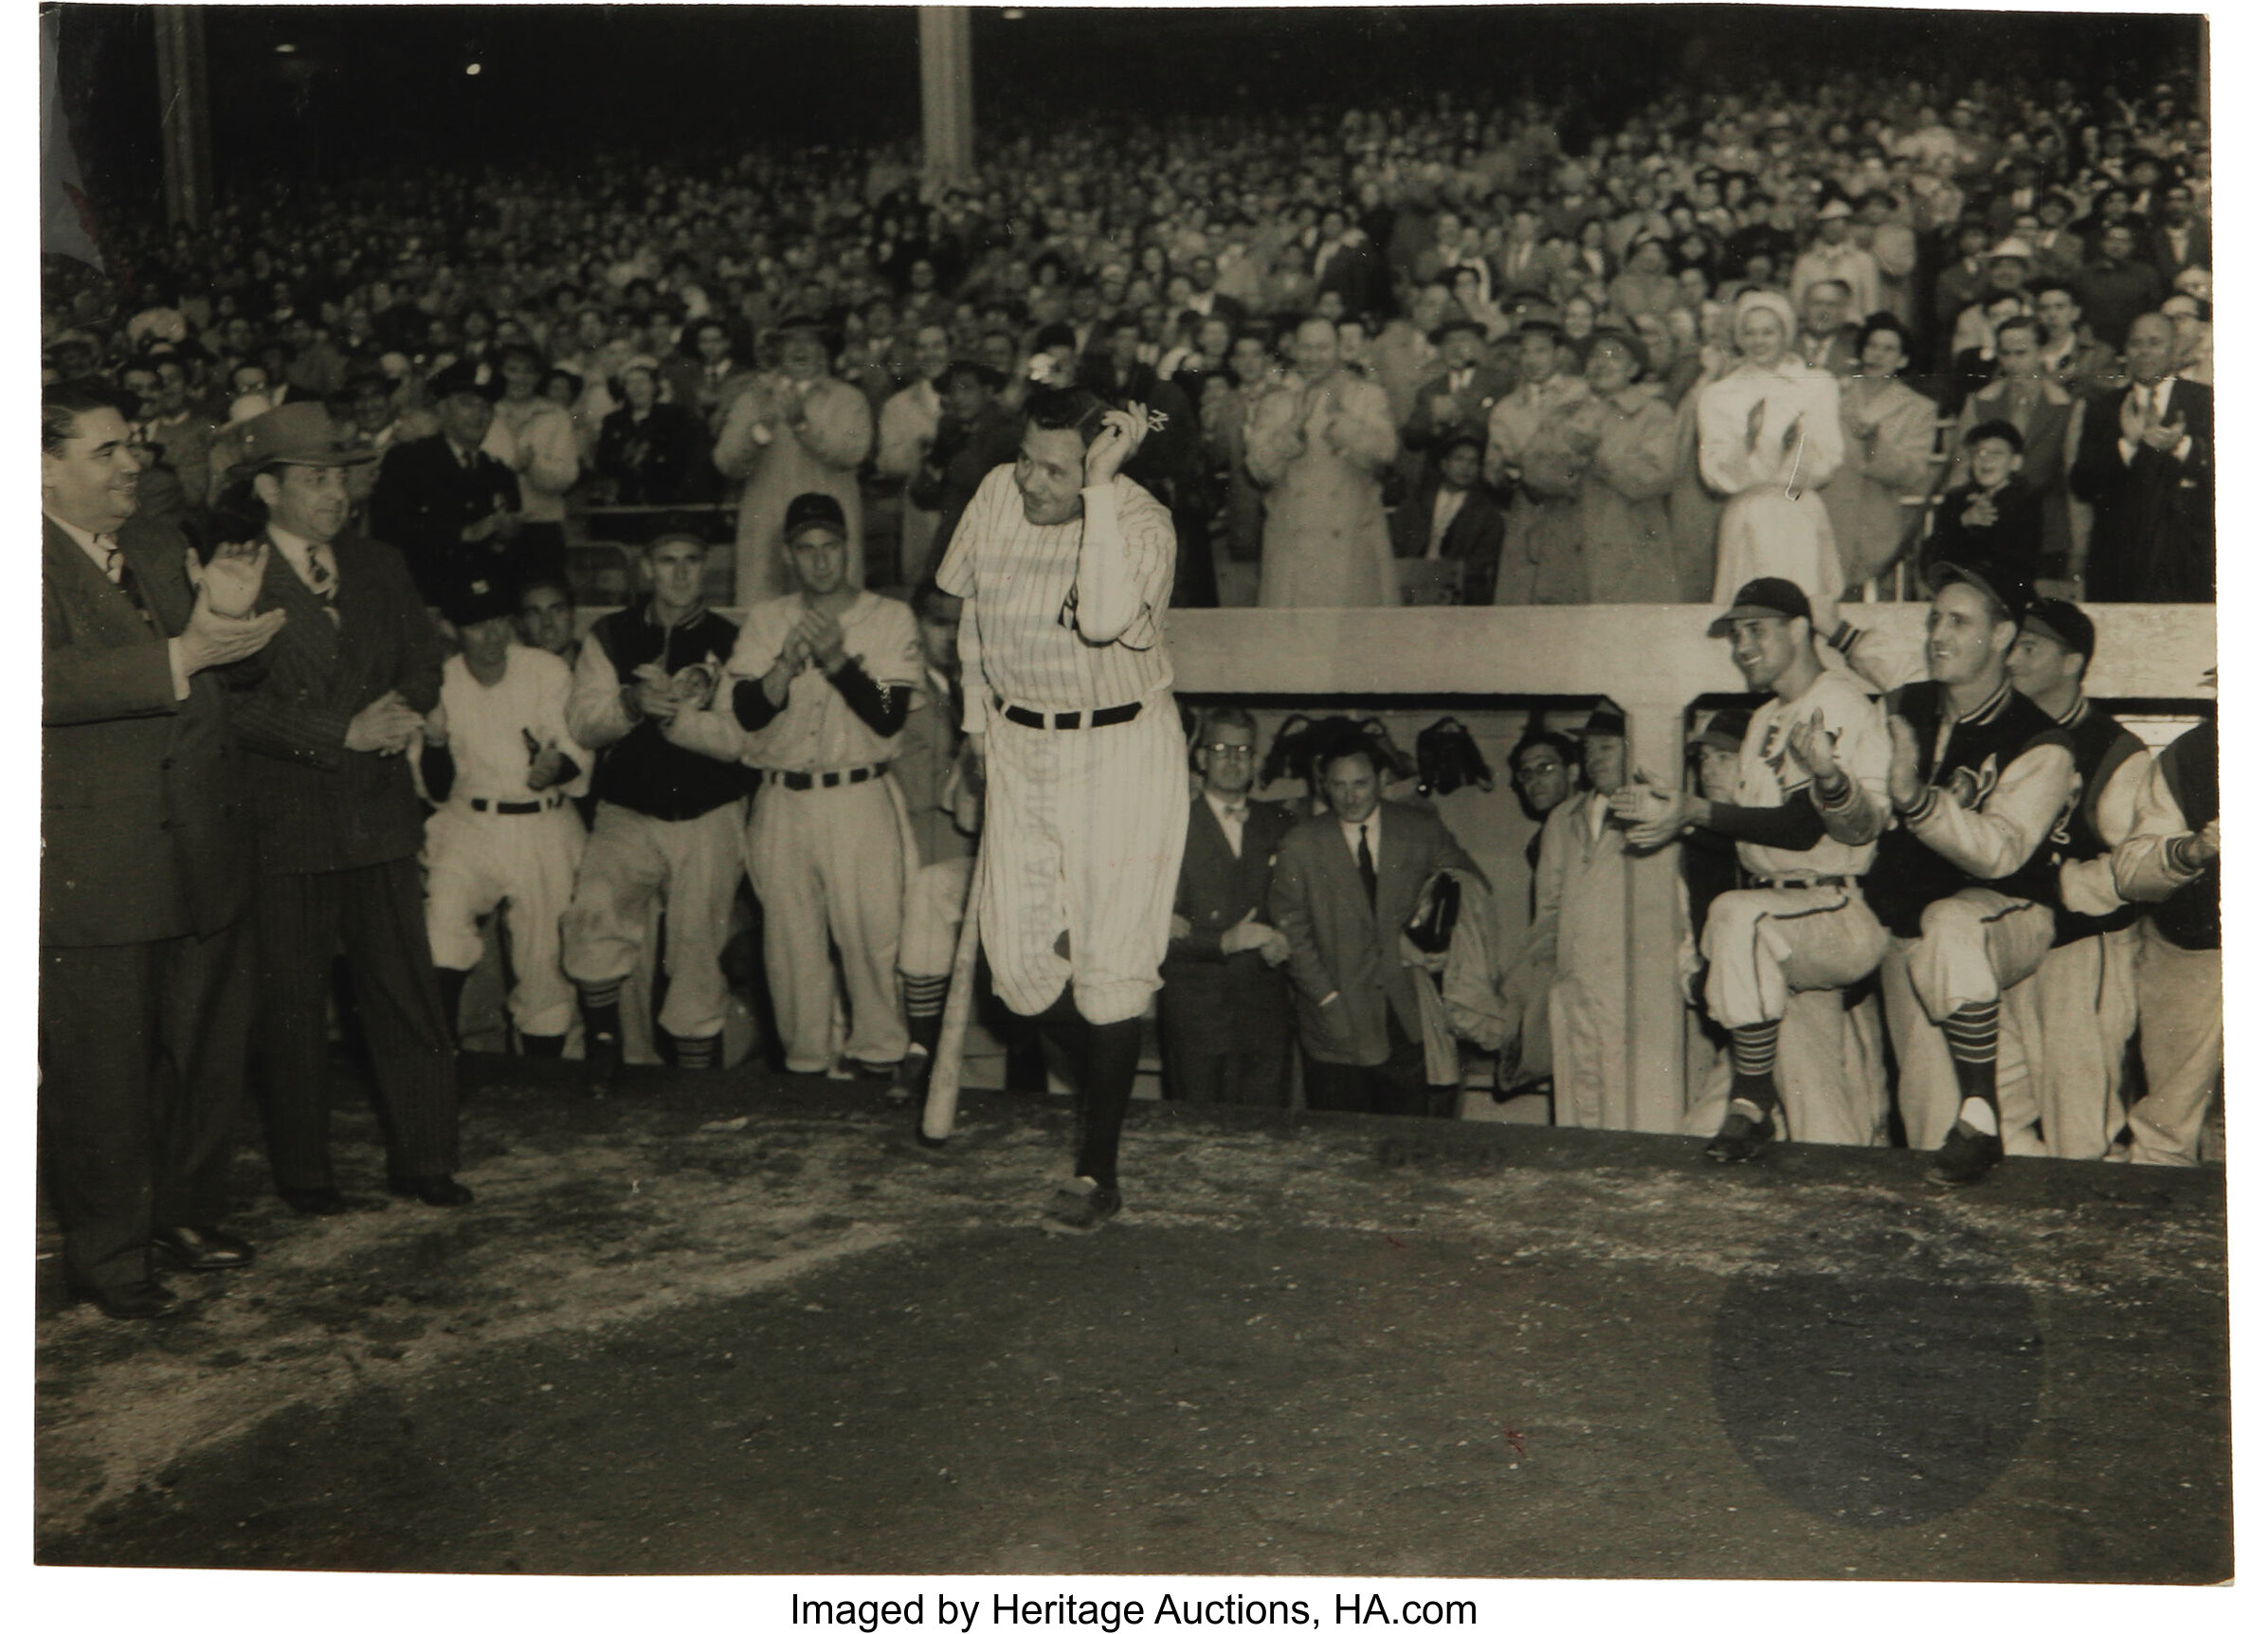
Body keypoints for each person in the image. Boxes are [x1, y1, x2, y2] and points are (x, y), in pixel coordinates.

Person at [41, 381, 284, 1318]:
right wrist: (186, 648)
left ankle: (183, 1210)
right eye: (106, 451)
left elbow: (226, 661)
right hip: (97, 864)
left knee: (207, 1051)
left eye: (133, 445)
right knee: (102, 1071)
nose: (132, 463)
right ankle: (109, 1255)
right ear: (42, 466)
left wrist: (234, 615)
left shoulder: (149, 542)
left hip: (202, 848)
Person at [934, 385, 1186, 1231]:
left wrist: (1103, 492)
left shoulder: (1143, 527)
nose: (1030, 482)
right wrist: (973, 722)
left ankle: (1096, 1168)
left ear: (1100, 468)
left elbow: (1108, 617)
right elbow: (969, 616)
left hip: (1119, 751)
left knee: (1111, 968)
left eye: (1055, 471)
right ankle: (1108, 1085)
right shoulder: (998, 493)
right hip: (1018, 742)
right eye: (1025, 460)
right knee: (1018, 975)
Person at [227, 403, 472, 1210]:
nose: (336, 494)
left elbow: (428, 665)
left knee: (405, 992)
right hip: (287, 823)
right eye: (316, 479)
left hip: (377, 818)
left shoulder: (380, 564)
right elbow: (232, 706)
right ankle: (306, 1174)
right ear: (267, 488)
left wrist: (399, 708)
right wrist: (342, 730)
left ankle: (426, 1158)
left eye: (342, 476)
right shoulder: (232, 572)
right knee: (292, 1007)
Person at [1611, 579, 1891, 1157]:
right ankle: (1833, 1204)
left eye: (1755, 629)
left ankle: (1751, 1100)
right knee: (1820, 1106)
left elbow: (1801, 827)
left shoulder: (1837, 702)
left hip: (1833, 910)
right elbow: (1745, 831)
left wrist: (1695, 809)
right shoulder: (1765, 719)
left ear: (1798, 628)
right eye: (1736, 633)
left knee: (1737, 915)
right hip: (1783, 928)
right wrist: (1680, 813)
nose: (1742, 646)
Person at [671, 492, 918, 1079]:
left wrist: (838, 662)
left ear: (846, 549)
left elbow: (889, 712)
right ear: (788, 556)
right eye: (806, 550)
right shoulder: (765, 620)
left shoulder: (888, 618)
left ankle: (881, 1068)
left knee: (872, 945)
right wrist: (783, 665)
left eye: (830, 547)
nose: (820, 562)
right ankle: (809, 1079)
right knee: (791, 954)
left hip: (860, 797)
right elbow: (748, 713)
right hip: (782, 799)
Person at [1854, 558, 2079, 1186]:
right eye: (1933, 619)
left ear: (2002, 637)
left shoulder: (2041, 740)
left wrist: (1917, 800)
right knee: (1929, 1126)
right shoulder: (1914, 705)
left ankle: (1981, 1112)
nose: (1937, 633)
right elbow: (1878, 668)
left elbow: (1999, 852)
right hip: (1914, 939)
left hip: (2006, 917)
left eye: (1958, 620)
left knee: (1949, 921)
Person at [561, 533, 759, 1090]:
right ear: (646, 567)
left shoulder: (732, 638)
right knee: (594, 912)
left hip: (709, 813)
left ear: (706, 567)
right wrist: (628, 703)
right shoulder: (612, 634)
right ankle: (606, 1050)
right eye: (667, 561)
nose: (679, 574)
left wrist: (676, 719)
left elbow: (738, 738)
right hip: (628, 809)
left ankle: (695, 1090)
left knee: (698, 951)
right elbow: (582, 721)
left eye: (691, 561)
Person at [1270, 720, 1482, 1118]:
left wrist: (1441, 947)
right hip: (1335, 1018)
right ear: (1322, 784)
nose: (1350, 797)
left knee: (1407, 1144)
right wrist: (1326, 998)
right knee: (1340, 1144)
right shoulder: (1301, 844)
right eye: (1338, 786)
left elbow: (1470, 886)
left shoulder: (1419, 829)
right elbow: (1291, 930)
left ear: (1382, 779)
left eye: (1361, 784)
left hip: (1406, 1017)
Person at [2002, 600, 2150, 1160]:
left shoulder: (2114, 749)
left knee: (2079, 1122)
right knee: (1999, 1115)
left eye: (2029, 648)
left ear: (2071, 663)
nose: (2011, 659)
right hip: (2015, 942)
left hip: (2085, 947)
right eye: (2011, 644)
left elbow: (2136, 867)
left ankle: (2095, 1246)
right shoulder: (2011, 734)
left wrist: (2059, 884)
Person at [418, 575, 589, 1054]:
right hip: (469, 823)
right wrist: (433, 741)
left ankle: (543, 1085)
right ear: (452, 628)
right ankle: (441, 1056)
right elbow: (433, 787)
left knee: (544, 965)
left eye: (497, 622)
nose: (491, 636)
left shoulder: (544, 669)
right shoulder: (440, 680)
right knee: (441, 926)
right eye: (476, 626)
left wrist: (555, 766)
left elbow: (572, 751)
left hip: (543, 822)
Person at [1161, 707, 1297, 1108]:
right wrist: (1222, 941)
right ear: (1200, 758)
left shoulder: (1281, 823)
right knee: (1200, 1133)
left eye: (1243, 750)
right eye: (1221, 749)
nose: (1233, 760)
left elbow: (1296, 904)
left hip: (1265, 1011)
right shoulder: (1170, 823)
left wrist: (1286, 940)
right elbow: (1153, 927)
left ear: (1256, 761)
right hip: (1197, 1014)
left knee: (1264, 1134)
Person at [1515, 703, 1641, 1129]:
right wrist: (1548, 974)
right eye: (1588, 749)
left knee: (1632, 1104)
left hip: (1632, 989)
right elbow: (1547, 909)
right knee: (1576, 1101)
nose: (1594, 759)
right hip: (1572, 985)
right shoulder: (1561, 819)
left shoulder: (1653, 812)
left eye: (1606, 747)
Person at [1699, 290, 1846, 627]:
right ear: (1738, 337)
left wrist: (1790, 457)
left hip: (1797, 511)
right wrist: (1748, 446)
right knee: (1750, 617)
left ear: (1786, 333)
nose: (1759, 341)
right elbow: (1713, 471)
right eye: (1750, 332)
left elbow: (1827, 456)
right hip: (1747, 513)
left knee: (1802, 616)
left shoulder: (1818, 384)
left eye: (1769, 331)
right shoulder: (1717, 394)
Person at [886, 581, 981, 1106]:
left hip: (962, 855)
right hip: (907, 848)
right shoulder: (892, 684)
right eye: (937, 622)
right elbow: (887, 754)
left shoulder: (984, 685)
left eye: (959, 622)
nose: (949, 636)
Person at [2111, 718, 2221, 1167]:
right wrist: (2189, 851)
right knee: (2165, 1130)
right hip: (2195, 949)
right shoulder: (2189, 754)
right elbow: (2131, 872)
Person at [715, 318, 874, 601]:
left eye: (811, 342)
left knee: (835, 621)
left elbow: (853, 452)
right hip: (767, 533)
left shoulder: (849, 399)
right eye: (791, 341)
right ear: (777, 350)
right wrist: (759, 433)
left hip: (828, 535)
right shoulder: (753, 399)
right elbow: (726, 463)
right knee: (765, 623)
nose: (801, 350)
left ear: (825, 350)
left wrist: (803, 427)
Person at [1247, 317, 1399, 607]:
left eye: (1323, 348)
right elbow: (1258, 470)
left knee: (1355, 642)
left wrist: (1340, 418)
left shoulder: (1368, 396)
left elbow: (1385, 455)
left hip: (1351, 546)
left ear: (1339, 349)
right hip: (1293, 549)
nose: (1314, 357)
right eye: (1306, 348)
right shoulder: (1275, 402)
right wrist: (1293, 427)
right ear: (1293, 350)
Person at [2068, 311, 2212, 602]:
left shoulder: (2206, 400)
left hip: (2189, 559)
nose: (2144, 352)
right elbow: (2081, 484)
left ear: (2174, 349)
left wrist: (2181, 446)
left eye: (2154, 343)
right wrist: (2128, 445)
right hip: (2120, 560)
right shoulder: (2104, 407)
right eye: (2136, 344)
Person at [1526, 330, 1678, 603]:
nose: (1602, 363)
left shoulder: (1654, 415)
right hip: (1568, 550)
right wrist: (1569, 467)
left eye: (1615, 357)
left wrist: (1599, 457)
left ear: (1633, 369)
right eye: (1595, 355)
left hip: (1630, 549)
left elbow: (1655, 477)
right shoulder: (1564, 413)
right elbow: (1533, 471)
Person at [368, 362, 523, 609]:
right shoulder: (408, 461)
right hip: (424, 602)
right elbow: (388, 532)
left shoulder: (500, 473)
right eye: (467, 404)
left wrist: (503, 539)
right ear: (441, 409)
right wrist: (462, 534)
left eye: (486, 406)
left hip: (483, 609)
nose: (479, 414)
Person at [1947, 317, 2083, 577]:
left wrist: (2078, 550)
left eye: (2022, 353)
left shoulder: (2067, 407)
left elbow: (2073, 483)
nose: (2012, 362)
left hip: (2047, 536)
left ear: (2042, 351)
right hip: (1988, 533)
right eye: (2005, 354)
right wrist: (1959, 526)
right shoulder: (1979, 403)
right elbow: (1961, 472)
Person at [1821, 315, 1937, 589]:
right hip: (1829, 510)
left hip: (1877, 518)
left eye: (1889, 349)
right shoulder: (1832, 393)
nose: (1877, 355)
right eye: (1872, 346)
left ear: (1903, 360)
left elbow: (1914, 472)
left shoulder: (1919, 408)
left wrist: (1876, 445)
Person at [483, 343, 581, 584]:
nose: (520, 378)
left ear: (539, 376)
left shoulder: (556, 415)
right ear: (500, 372)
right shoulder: (485, 413)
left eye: (528, 371)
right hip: (493, 527)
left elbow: (566, 476)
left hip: (542, 526)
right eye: (512, 369)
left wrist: (532, 466)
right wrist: (508, 473)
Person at [874, 324, 954, 585]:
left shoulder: (974, 396)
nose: (930, 354)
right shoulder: (898, 405)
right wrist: (919, 450)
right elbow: (887, 463)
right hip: (922, 515)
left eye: (938, 346)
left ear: (951, 350)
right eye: (922, 348)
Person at [1922, 421, 2044, 589]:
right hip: (1956, 590)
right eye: (1979, 453)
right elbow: (1931, 559)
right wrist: (1962, 522)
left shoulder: (2028, 501)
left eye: (1996, 453)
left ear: (2015, 462)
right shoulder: (1955, 500)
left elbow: (2019, 563)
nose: (1985, 459)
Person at [1388, 431, 1504, 605]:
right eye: (1459, 459)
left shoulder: (1488, 515)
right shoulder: (1415, 504)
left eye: (1472, 462)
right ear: (1444, 464)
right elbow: (1394, 546)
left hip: (1456, 594)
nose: (1465, 467)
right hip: (1408, 588)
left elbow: (1480, 564)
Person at [593, 359, 705, 506]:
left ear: (654, 386)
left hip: (666, 498)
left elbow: (683, 456)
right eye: (630, 383)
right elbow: (604, 461)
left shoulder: (674, 415)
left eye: (642, 381)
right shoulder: (613, 421)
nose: (637, 387)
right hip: (626, 499)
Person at [515, 574, 582, 667]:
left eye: (557, 611)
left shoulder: (599, 663)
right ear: (521, 624)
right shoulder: (515, 672)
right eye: (535, 614)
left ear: (572, 615)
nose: (547, 622)